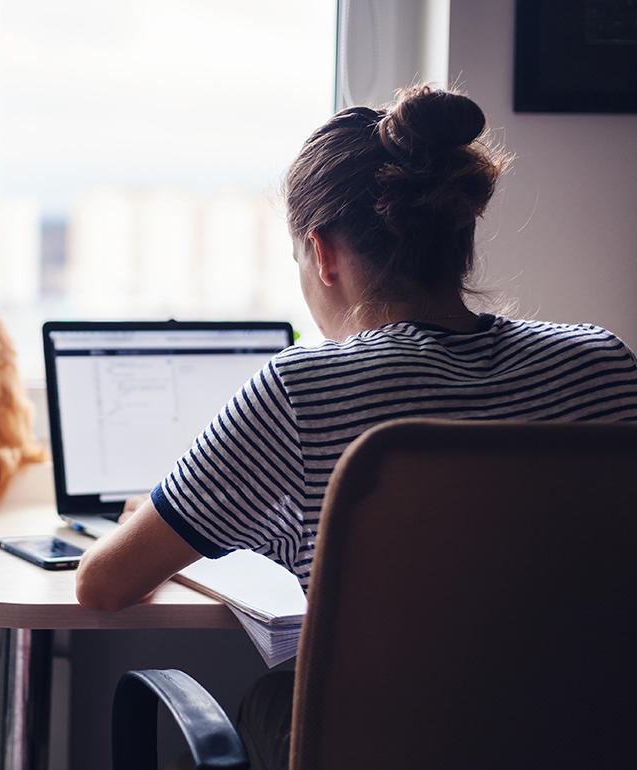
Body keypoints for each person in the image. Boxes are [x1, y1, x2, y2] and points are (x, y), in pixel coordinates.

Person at [75, 85, 637, 769]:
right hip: (585, 738)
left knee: (273, 700)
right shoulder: (602, 363)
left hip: (393, 749)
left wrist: (159, 518)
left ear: (324, 254)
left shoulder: (301, 390)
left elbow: (103, 585)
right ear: (460, 232)